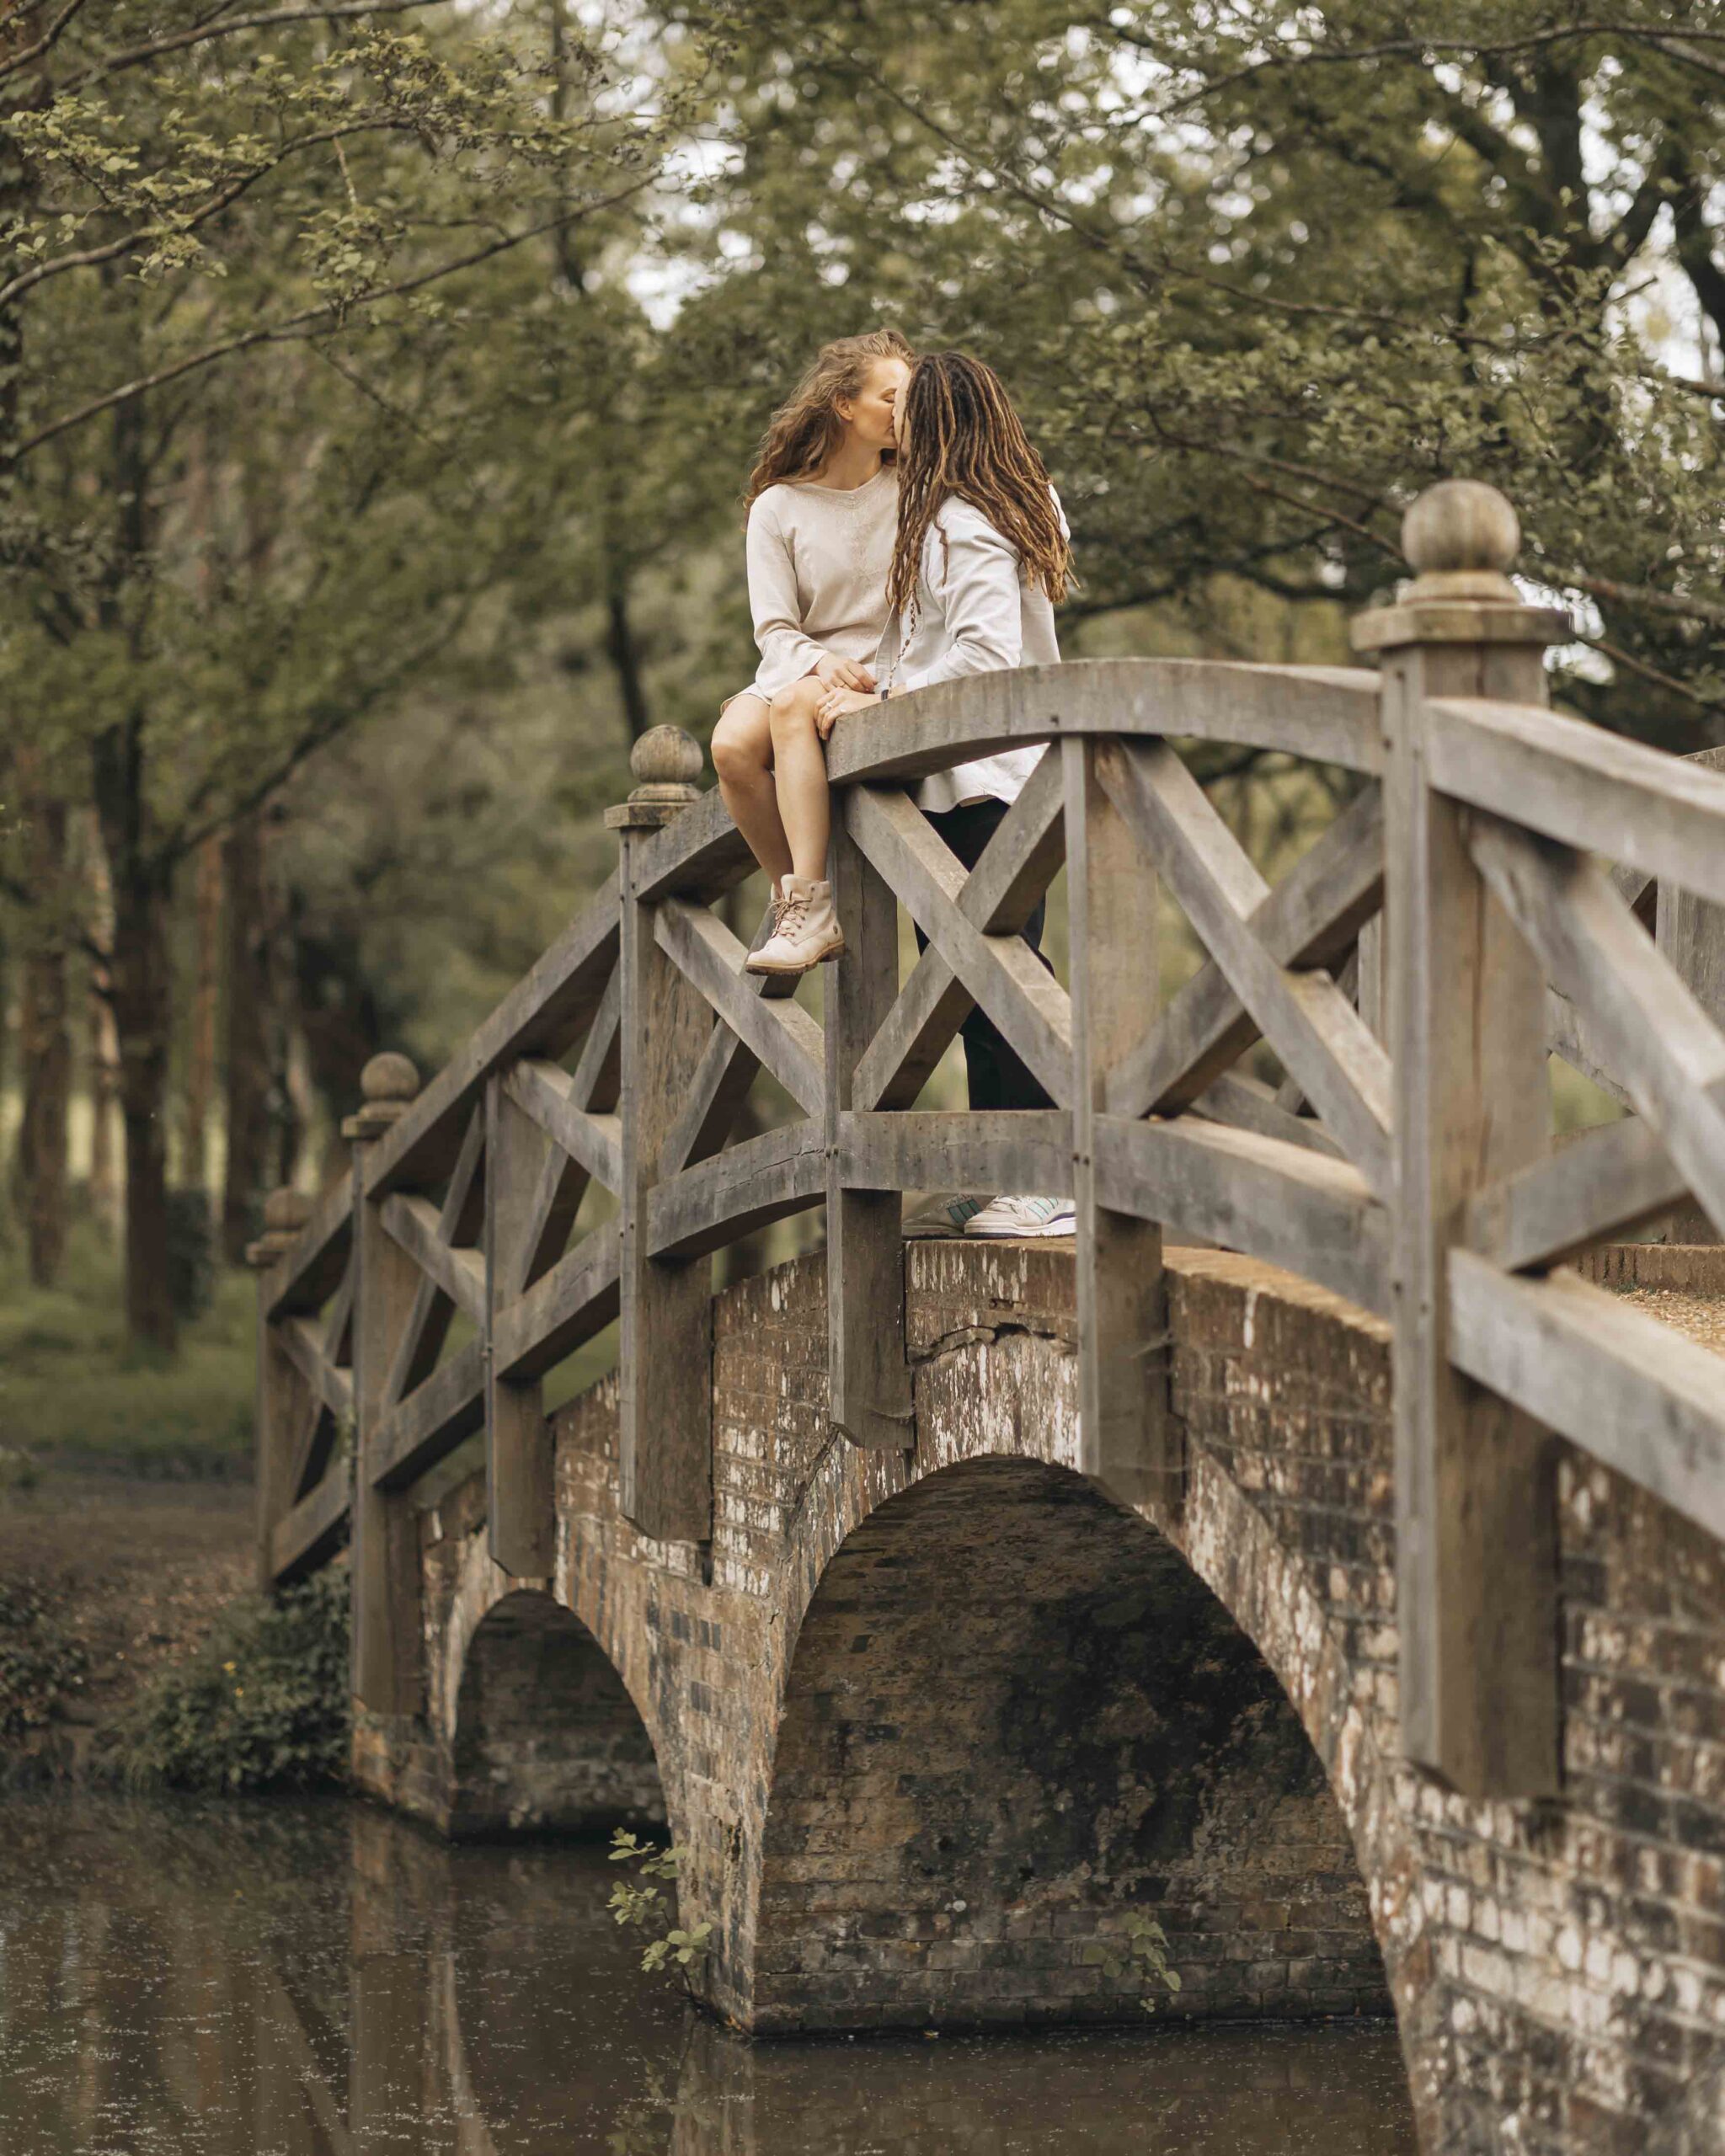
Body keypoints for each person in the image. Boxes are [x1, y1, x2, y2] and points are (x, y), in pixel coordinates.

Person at [815, 349, 1076, 1241]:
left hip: (981, 770)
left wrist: (882, 701)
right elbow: (931, 644)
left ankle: (1048, 1177)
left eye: (906, 411)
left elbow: (980, 659)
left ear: (933, 422)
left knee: (995, 970)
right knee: (968, 974)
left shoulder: (962, 517)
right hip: (997, 767)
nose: (894, 426)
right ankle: (1004, 1169)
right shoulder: (1014, 501)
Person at [710, 329, 913, 976]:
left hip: (884, 668)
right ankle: (801, 901)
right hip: (800, 659)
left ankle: (806, 906)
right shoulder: (779, 506)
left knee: (793, 707)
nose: (907, 410)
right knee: (730, 746)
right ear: (845, 407)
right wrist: (818, 661)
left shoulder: (916, 491)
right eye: (892, 397)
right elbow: (773, 629)